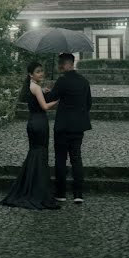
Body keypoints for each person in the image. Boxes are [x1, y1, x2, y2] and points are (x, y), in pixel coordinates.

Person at [0, 62, 60, 210]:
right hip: (39, 123)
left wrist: (44, 91)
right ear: (31, 74)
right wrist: (57, 100)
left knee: (35, 154)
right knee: (40, 155)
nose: (41, 73)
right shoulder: (35, 87)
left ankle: (31, 187)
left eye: (42, 71)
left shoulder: (32, 86)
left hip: (33, 122)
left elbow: (37, 98)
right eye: (38, 72)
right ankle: (37, 191)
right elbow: (44, 107)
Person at [45, 53, 92, 204]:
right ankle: (78, 194)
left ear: (68, 64)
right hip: (78, 126)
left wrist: (46, 91)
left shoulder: (62, 80)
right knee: (76, 158)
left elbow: (51, 98)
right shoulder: (84, 81)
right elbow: (88, 104)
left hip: (63, 126)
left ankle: (61, 193)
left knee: (60, 159)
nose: (59, 66)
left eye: (61, 64)